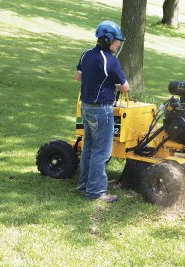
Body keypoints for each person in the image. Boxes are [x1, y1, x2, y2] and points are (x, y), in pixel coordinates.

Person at [74, 20, 130, 202]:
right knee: (101, 152)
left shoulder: (86, 54)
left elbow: (78, 77)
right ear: (107, 40)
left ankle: (84, 186)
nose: (118, 44)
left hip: (86, 107)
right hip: (101, 111)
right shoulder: (111, 61)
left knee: (89, 147)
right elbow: (125, 88)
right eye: (116, 41)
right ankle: (96, 192)